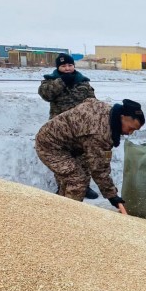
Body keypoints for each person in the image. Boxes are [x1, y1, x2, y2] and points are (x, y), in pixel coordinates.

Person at [35, 98, 144, 209]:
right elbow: (99, 168)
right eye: (131, 128)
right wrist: (112, 196)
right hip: (50, 145)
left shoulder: (107, 110)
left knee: (82, 175)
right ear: (122, 117)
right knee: (77, 180)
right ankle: (68, 217)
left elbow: (89, 100)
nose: (129, 133)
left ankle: (59, 209)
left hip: (69, 145)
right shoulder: (100, 134)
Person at [38, 54, 99, 199]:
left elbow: (93, 102)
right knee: (63, 160)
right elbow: (46, 95)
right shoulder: (50, 81)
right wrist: (61, 82)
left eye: (70, 65)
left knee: (83, 158)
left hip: (80, 129)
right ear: (58, 67)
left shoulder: (83, 82)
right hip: (59, 130)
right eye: (64, 66)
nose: (67, 68)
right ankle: (63, 188)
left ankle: (85, 186)